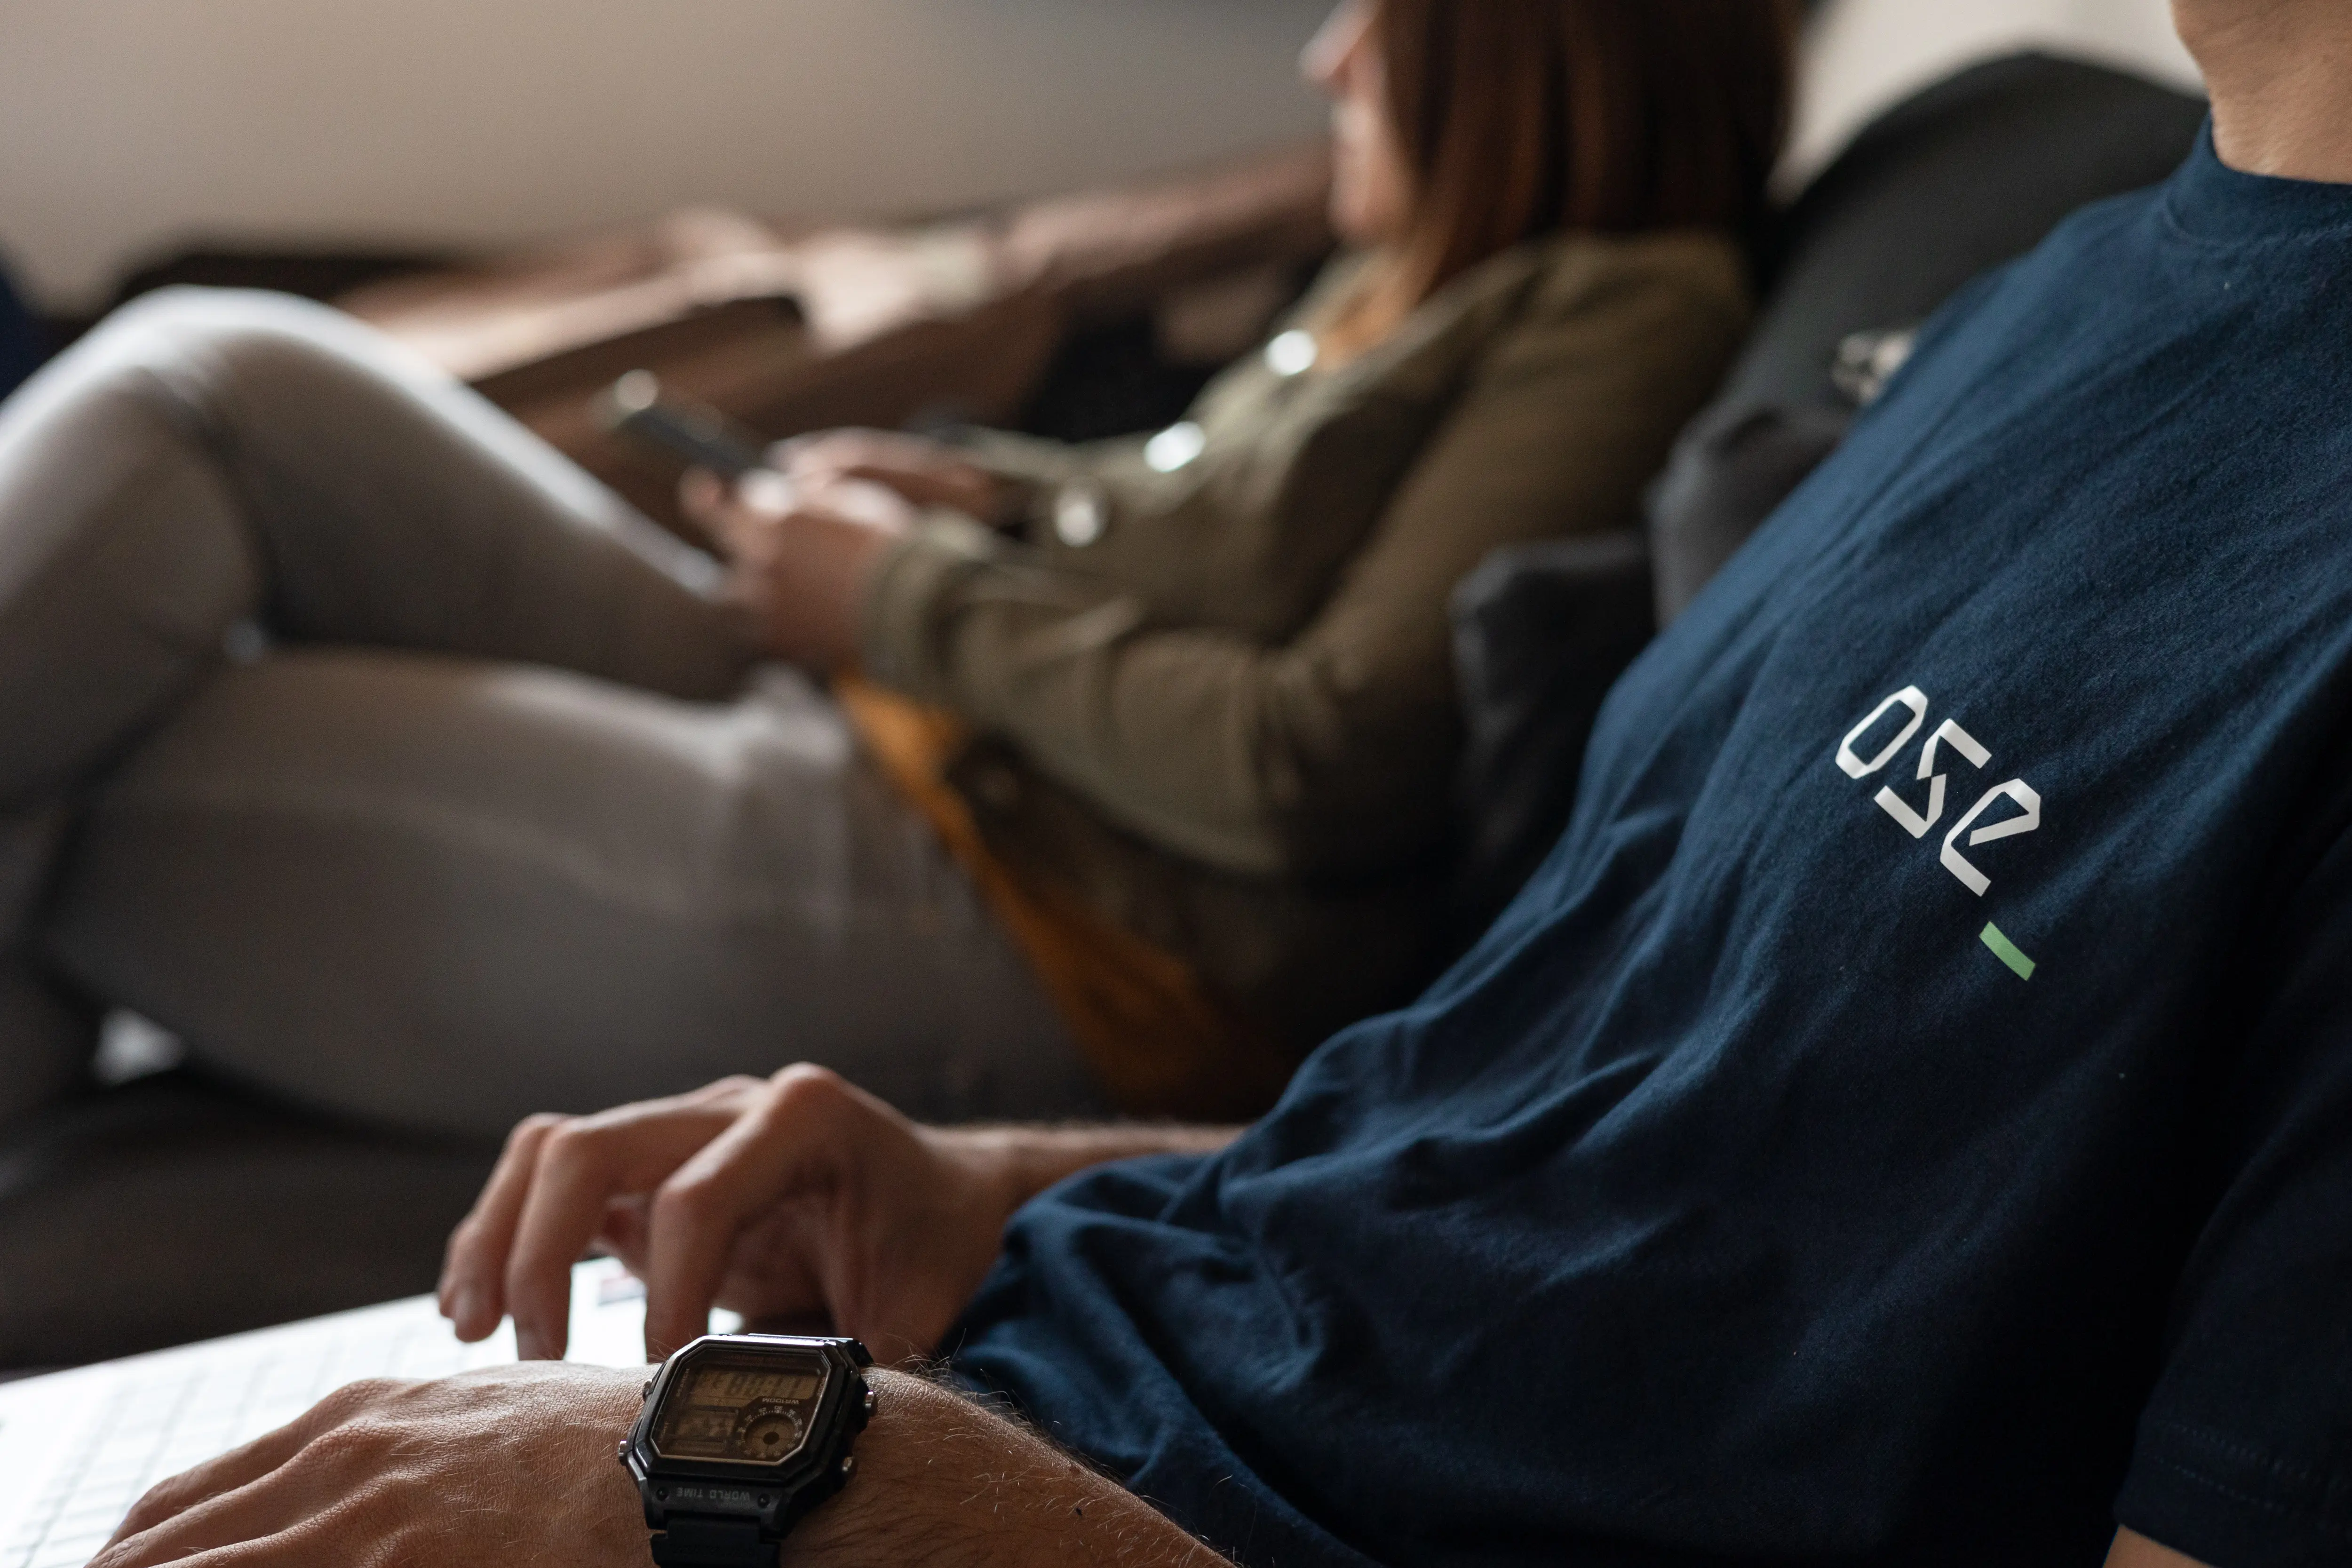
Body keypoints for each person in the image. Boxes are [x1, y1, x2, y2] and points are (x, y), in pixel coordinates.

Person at [84, 0, 2352, 1561]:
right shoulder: (2054, 291)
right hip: (1019, 1375)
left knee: (129, 760)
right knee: (203, 414)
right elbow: (1592, 1126)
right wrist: (989, 1193)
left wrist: (778, 1490)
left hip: (967, 1484)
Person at [0, 0, 1791, 1139]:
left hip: (1039, 915)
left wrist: (908, 594)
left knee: (134, 755)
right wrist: (972, 493)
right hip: (911, 720)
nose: (1326, 59)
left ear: (1536, 42)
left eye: (1374, 13)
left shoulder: (1620, 312)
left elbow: (1320, 759)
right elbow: (1201, 514)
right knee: (215, 375)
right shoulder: (1424, 268)